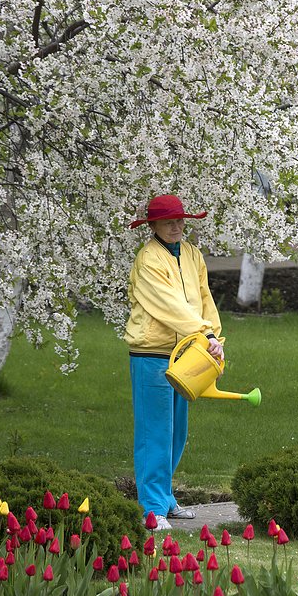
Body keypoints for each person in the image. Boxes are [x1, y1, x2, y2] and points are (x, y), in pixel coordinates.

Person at [125, 194, 224, 530]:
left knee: (176, 432)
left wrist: (214, 337)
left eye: (180, 220)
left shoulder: (192, 254)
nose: (176, 226)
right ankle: (151, 510)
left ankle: (164, 499)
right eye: (169, 221)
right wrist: (204, 334)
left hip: (187, 352)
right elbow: (169, 305)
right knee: (155, 432)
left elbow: (204, 298)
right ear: (152, 225)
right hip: (152, 354)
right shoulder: (148, 259)